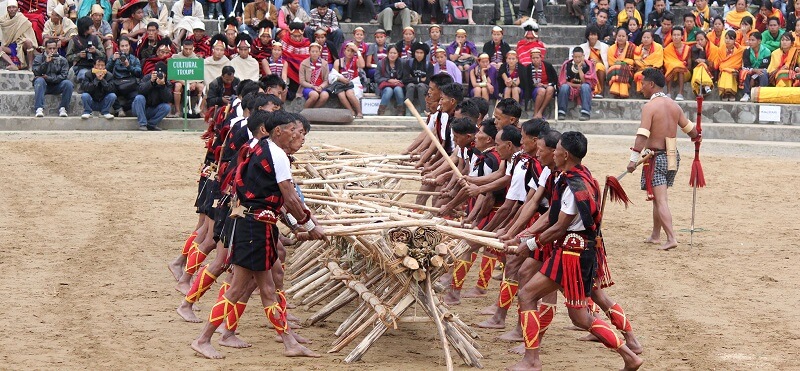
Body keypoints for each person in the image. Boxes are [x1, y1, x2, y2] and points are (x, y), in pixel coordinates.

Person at [189, 110, 324, 360]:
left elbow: (277, 198)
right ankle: (203, 338)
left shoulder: (263, 149)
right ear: (278, 131)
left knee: (268, 289)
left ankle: (289, 342)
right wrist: (308, 225)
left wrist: (298, 227)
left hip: (257, 225)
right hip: (253, 228)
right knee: (237, 289)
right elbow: (289, 197)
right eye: (294, 130)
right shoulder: (276, 154)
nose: (299, 135)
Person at [506, 131, 644, 371]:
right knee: (581, 317)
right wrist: (524, 235)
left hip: (571, 254)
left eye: (556, 148)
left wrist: (530, 245)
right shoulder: (576, 176)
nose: (552, 152)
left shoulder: (571, 183)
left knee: (527, 295)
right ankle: (630, 354)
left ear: (564, 154)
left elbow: (560, 225)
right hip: (580, 251)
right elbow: (552, 215)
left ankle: (531, 360)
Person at [629, 68, 700, 251]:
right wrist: (697, 136)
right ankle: (655, 234)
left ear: (651, 84)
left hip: (657, 156)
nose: (641, 87)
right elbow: (691, 130)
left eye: (643, 83)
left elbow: (643, 135)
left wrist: (633, 158)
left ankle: (671, 237)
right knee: (658, 198)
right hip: (672, 156)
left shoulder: (650, 107)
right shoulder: (674, 106)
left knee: (661, 199)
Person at [32, 39, 73, 117]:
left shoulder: (62, 60)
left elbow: (63, 76)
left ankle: (63, 108)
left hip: (56, 85)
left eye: (54, 48)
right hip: (43, 85)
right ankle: (39, 108)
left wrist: (48, 78)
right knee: (39, 80)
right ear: (45, 48)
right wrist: (46, 63)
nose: (52, 50)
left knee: (68, 84)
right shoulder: (39, 58)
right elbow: (36, 72)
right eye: (50, 48)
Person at [557, 47, 597, 121]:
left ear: (583, 56)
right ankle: (561, 112)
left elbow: (586, 81)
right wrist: (577, 85)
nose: (577, 59)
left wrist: (579, 68)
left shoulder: (589, 65)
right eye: (575, 57)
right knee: (564, 87)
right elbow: (564, 81)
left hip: (583, 87)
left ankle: (585, 112)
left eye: (579, 57)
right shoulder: (567, 64)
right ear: (572, 57)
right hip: (571, 87)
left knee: (585, 87)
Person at [107, 37, 141, 116]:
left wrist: (128, 66)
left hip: (130, 84)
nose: (124, 48)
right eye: (122, 46)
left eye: (126, 46)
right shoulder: (114, 57)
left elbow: (139, 73)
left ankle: (122, 108)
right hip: (116, 83)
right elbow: (106, 71)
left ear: (129, 46)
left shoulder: (134, 59)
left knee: (138, 97)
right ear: (119, 47)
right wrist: (112, 60)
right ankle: (119, 109)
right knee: (107, 88)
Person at [133, 61, 172, 130]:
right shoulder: (147, 77)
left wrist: (162, 86)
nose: (160, 75)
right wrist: (151, 82)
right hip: (140, 108)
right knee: (139, 98)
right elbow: (140, 90)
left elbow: (168, 99)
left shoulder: (167, 83)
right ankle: (142, 124)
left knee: (166, 107)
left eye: (162, 74)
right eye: (158, 73)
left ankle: (151, 124)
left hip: (153, 109)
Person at [171, 39, 205, 117]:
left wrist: (194, 82)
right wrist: (185, 83)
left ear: (193, 48)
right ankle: (178, 111)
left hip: (193, 82)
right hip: (181, 81)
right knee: (177, 86)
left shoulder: (196, 59)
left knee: (202, 87)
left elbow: (199, 75)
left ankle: (200, 110)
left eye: (190, 49)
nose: (188, 51)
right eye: (186, 49)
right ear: (182, 48)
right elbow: (174, 74)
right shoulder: (175, 57)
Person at [1, 0, 38, 70]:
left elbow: (30, 35)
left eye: (14, 7)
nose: (11, 9)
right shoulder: (3, 20)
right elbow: (5, 38)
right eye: (9, 7)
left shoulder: (23, 20)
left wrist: (21, 40)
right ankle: (12, 65)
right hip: (10, 46)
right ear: (7, 9)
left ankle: (30, 65)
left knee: (28, 42)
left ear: (17, 9)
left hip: (21, 45)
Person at [331, 42, 365, 118]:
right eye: (348, 50)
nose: (350, 53)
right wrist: (340, 79)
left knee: (349, 93)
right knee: (341, 94)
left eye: (352, 51)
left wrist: (358, 51)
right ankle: (351, 111)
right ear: (344, 51)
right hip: (341, 84)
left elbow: (362, 65)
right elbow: (334, 75)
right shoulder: (338, 62)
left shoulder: (356, 60)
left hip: (353, 83)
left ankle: (359, 112)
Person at [66, 16, 105, 82]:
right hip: (81, 67)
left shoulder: (96, 38)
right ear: (85, 28)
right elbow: (68, 57)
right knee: (84, 74)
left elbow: (103, 55)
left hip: (96, 66)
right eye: (91, 26)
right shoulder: (74, 40)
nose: (93, 28)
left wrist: (95, 51)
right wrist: (79, 55)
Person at [522, 48, 557, 119]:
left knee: (550, 89)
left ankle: (540, 111)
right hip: (534, 89)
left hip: (546, 86)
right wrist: (535, 85)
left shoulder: (548, 66)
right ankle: (535, 113)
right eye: (533, 58)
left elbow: (555, 80)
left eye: (537, 57)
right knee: (541, 90)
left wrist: (546, 85)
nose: (535, 59)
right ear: (531, 59)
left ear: (541, 57)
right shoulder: (528, 68)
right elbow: (526, 82)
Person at [740, 32, 771, 101]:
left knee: (763, 73)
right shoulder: (747, 51)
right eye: (749, 40)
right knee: (744, 72)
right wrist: (753, 71)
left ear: (759, 41)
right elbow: (746, 66)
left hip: (761, 71)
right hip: (751, 70)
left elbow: (765, 67)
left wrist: (753, 77)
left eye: (753, 40)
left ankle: (762, 93)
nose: (750, 42)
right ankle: (746, 94)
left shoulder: (767, 51)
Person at [581, 25, 610, 97]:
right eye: (591, 35)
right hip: (587, 68)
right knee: (593, 67)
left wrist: (597, 63)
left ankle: (601, 90)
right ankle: (593, 90)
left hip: (601, 68)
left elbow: (607, 60)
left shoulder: (605, 46)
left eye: (595, 35)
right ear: (588, 36)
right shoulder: (582, 47)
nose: (593, 37)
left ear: (598, 36)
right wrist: (589, 63)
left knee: (598, 66)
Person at [662, 27, 691, 100]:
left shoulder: (687, 48)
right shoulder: (667, 49)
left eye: (678, 35)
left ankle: (680, 93)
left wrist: (683, 67)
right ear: (671, 37)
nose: (676, 37)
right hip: (672, 72)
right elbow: (667, 63)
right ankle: (668, 93)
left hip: (684, 73)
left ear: (682, 37)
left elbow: (689, 65)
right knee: (673, 66)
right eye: (674, 35)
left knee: (679, 68)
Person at [607, 28, 636, 98]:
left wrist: (622, 62)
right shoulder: (611, 48)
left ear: (627, 37)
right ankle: (618, 90)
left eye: (623, 36)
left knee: (622, 66)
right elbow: (611, 62)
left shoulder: (632, 47)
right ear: (616, 37)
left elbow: (634, 61)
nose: (621, 38)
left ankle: (621, 91)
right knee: (618, 67)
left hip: (628, 70)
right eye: (619, 36)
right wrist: (623, 62)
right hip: (614, 70)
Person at [403, 41, 431, 114]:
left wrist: (412, 79)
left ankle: (423, 111)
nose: (419, 55)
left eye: (421, 53)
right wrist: (420, 79)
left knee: (421, 86)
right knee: (410, 85)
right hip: (411, 88)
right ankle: (408, 111)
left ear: (424, 54)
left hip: (423, 88)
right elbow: (405, 79)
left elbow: (429, 80)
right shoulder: (409, 63)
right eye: (417, 52)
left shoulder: (429, 65)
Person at [716, 30, 745, 100]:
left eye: (730, 38)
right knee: (726, 71)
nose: (727, 40)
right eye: (726, 38)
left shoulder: (740, 50)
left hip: (734, 71)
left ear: (735, 40)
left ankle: (729, 93)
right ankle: (727, 93)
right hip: (723, 70)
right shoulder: (721, 49)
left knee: (730, 72)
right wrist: (726, 68)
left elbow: (738, 64)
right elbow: (719, 63)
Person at [299, 42, 330, 108]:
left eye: (316, 51)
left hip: (320, 87)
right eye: (312, 51)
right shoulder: (304, 63)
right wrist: (313, 87)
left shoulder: (324, 63)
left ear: (319, 52)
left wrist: (321, 87)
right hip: (308, 87)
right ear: (309, 52)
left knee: (325, 95)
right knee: (314, 95)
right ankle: (304, 112)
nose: (315, 53)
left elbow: (326, 80)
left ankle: (313, 111)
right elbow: (302, 81)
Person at [690, 31, 717, 96]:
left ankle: (703, 87)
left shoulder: (713, 48)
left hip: (711, 73)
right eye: (697, 40)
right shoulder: (694, 49)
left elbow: (714, 64)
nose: (700, 42)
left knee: (702, 65)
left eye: (702, 39)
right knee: (700, 66)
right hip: (697, 70)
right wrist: (702, 50)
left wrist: (705, 61)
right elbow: (696, 63)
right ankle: (706, 86)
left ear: (706, 39)